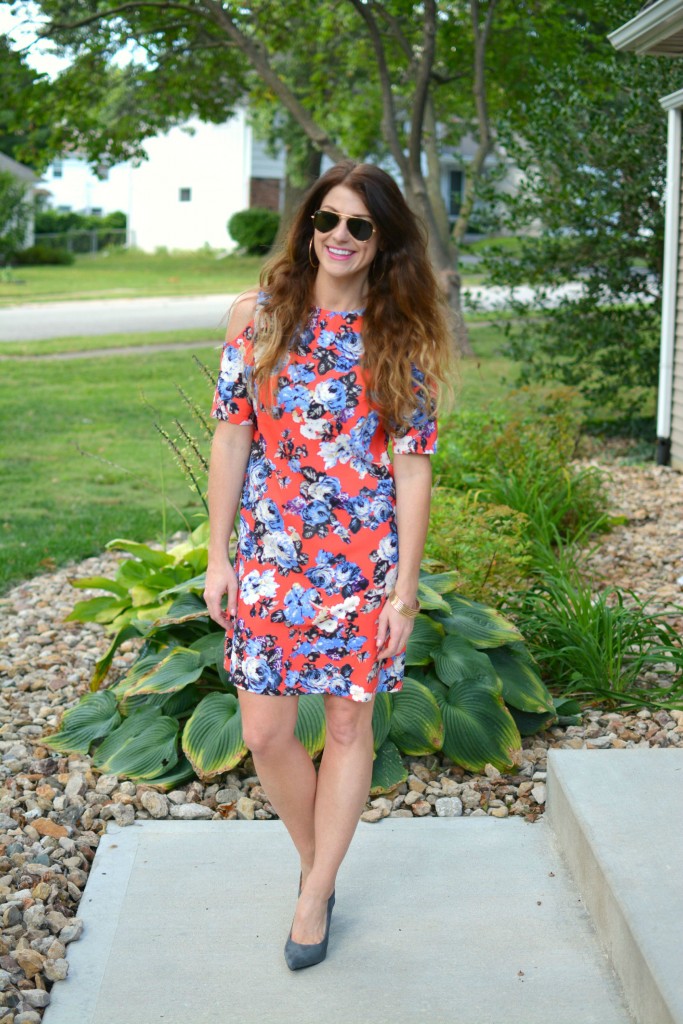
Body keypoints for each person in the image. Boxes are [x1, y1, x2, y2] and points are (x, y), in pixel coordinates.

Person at [204, 160, 453, 970]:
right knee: (266, 730)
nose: (338, 237)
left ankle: (314, 894)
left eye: (359, 226)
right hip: (271, 557)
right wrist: (219, 556)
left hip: (362, 565)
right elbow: (231, 434)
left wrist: (404, 591)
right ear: (307, 224)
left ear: (383, 243)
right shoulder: (257, 316)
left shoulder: (400, 335)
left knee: (347, 724)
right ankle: (322, 865)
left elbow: (413, 468)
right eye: (326, 220)